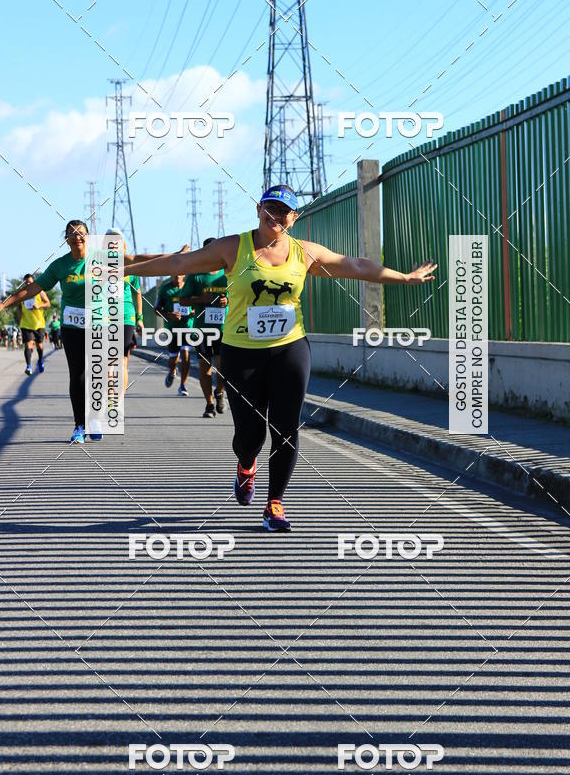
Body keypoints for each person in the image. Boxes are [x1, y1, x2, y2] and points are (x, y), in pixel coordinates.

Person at [124, 184, 437, 533]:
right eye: (270, 207)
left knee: (286, 428)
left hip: (290, 348)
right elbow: (179, 262)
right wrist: (125, 270)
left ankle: (275, 503)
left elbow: (354, 265)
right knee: (249, 435)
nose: (276, 215)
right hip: (241, 353)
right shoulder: (233, 247)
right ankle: (246, 465)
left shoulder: (303, 252)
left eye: (284, 211)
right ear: (259, 209)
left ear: (294, 217)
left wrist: (405, 277)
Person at [0, 220, 103, 445]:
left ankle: (96, 418)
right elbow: (32, 289)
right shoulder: (60, 266)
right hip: (71, 328)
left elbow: (133, 263)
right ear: (66, 239)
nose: (77, 237)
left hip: (99, 325)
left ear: (88, 236)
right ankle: (80, 425)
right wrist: (4, 304)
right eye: (72, 234)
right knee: (77, 375)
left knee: (97, 373)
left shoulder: (100, 259)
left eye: (81, 233)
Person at [182, 237, 228, 418]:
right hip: (202, 330)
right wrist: (203, 300)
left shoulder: (227, 273)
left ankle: (220, 392)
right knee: (204, 368)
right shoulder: (196, 274)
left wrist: (227, 300)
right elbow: (183, 299)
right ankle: (209, 404)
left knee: (223, 367)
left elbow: (240, 294)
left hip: (224, 329)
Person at [105, 228, 143, 393]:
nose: (113, 245)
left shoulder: (130, 266)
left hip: (126, 316)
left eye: (116, 241)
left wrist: (140, 318)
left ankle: (117, 399)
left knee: (122, 360)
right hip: (105, 317)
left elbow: (137, 293)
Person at [154, 273, 194, 396]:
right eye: (174, 272)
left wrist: (193, 311)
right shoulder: (165, 289)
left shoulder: (190, 287)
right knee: (173, 359)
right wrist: (169, 315)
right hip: (172, 330)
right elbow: (156, 309)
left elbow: (198, 304)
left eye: (181, 272)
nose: (177, 275)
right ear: (171, 274)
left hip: (187, 328)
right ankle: (172, 372)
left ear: (185, 274)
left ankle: (183, 385)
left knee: (186, 355)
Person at [17, 273, 51, 375]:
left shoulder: (40, 292)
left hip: (39, 324)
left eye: (30, 283)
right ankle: (28, 366)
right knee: (28, 345)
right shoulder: (21, 294)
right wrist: (19, 319)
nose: (28, 284)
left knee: (39, 346)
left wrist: (39, 305)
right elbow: (19, 307)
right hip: (26, 323)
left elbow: (48, 303)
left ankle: (40, 360)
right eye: (26, 283)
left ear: (34, 283)